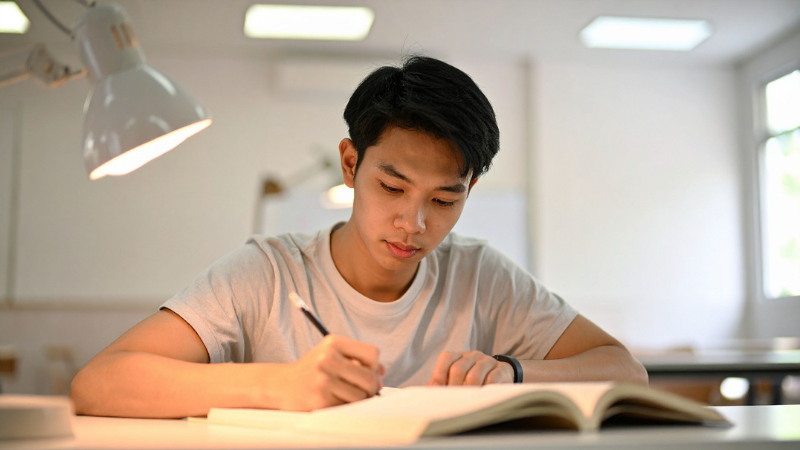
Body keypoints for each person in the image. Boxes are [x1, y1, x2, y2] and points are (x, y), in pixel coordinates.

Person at [70, 56, 647, 419]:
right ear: (350, 164)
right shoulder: (268, 273)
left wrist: (513, 372)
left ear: (470, 187)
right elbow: (99, 384)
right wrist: (281, 385)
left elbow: (624, 369)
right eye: (392, 187)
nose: (414, 223)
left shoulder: (481, 275)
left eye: (445, 200)